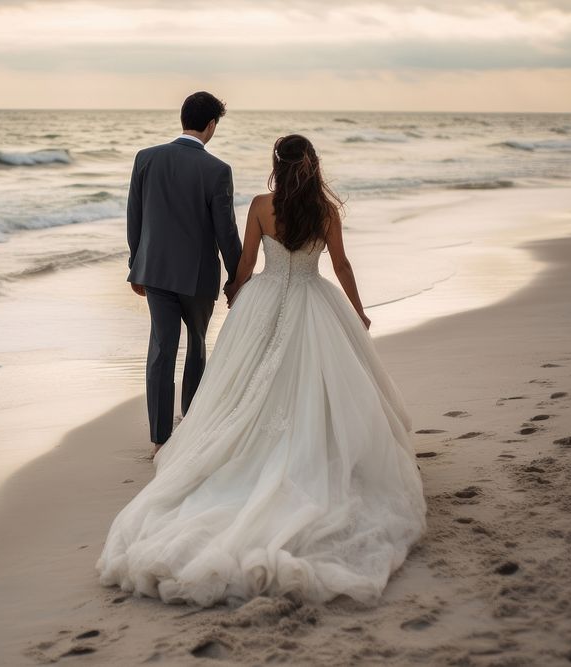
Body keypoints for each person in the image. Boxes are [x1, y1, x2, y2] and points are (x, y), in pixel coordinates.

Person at [97, 134, 427, 607]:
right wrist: (357, 310)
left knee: (243, 385)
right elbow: (342, 265)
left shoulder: (260, 204)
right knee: (318, 382)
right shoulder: (327, 211)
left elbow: (247, 262)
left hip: (265, 297)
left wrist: (236, 295)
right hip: (316, 300)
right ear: (313, 164)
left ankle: (187, 442)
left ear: (276, 164)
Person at [126, 91, 243, 456]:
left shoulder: (146, 158)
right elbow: (226, 231)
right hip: (197, 277)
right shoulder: (217, 170)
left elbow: (135, 217)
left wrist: (136, 265)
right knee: (195, 345)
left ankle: (160, 440)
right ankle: (190, 429)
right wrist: (237, 277)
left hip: (155, 271)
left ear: (183, 119)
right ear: (211, 125)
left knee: (161, 349)